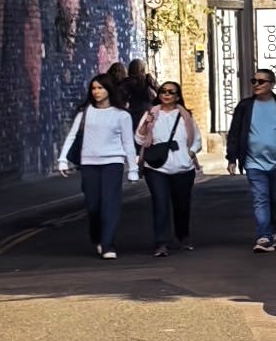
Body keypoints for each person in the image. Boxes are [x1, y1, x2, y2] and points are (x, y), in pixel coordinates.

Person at [225, 65, 276, 250]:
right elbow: (235, 132)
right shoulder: (245, 106)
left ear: (272, 84)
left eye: (261, 81)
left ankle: (275, 231)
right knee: (260, 199)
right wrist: (232, 158)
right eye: (254, 81)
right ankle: (264, 236)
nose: (256, 84)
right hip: (253, 162)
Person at [60, 73, 137, 259]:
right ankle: (98, 238)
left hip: (113, 163)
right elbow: (72, 136)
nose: (96, 92)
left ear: (109, 90)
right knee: (93, 205)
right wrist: (62, 159)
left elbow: (128, 143)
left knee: (110, 204)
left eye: (100, 88)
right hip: (89, 163)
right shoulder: (84, 113)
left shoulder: (122, 115)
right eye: (94, 88)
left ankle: (108, 244)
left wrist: (133, 169)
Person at [137, 77, 201, 260]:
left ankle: (183, 235)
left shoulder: (185, 116)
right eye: (163, 91)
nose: (166, 94)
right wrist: (145, 125)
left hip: (182, 167)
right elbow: (139, 139)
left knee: (182, 205)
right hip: (156, 168)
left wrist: (190, 153)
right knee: (160, 203)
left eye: (171, 92)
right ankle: (161, 242)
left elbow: (197, 139)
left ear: (178, 97)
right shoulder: (151, 114)